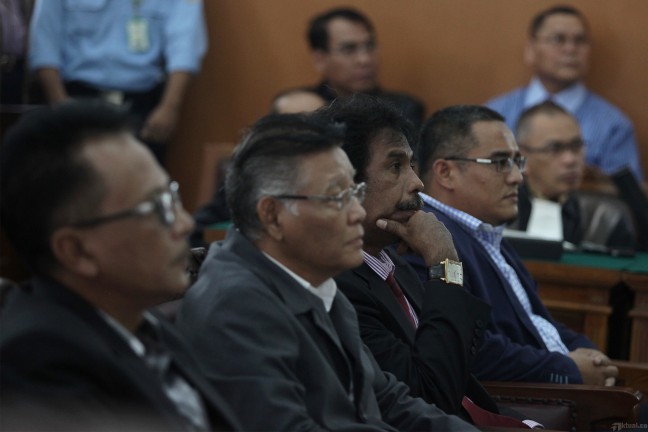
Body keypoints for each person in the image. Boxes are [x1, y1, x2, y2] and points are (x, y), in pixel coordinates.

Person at [175, 113, 477, 431]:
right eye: (337, 198)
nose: (357, 212)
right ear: (273, 215)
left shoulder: (317, 283)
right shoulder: (236, 307)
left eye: (355, 194)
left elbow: (388, 400)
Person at [0, 100, 241, 431]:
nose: (185, 223)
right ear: (77, 251)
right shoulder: (40, 363)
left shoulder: (141, 323)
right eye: (157, 208)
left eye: (172, 197)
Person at [317, 95, 540, 429]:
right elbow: (432, 395)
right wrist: (444, 262)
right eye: (396, 166)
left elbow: (462, 377)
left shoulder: (397, 266)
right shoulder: (339, 286)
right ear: (346, 183)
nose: (417, 182)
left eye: (411, 164)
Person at [411, 104, 619, 386]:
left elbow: (533, 323)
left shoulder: (486, 234)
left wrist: (591, 355)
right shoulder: (426, 238)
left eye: (516, 161)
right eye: (499, 163)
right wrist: (568, 369)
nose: (517, 177)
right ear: (446, 172)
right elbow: (472, 349)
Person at [28, 0, 208, 166]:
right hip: (78, 99)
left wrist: (169, 107)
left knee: (140, 183)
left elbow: (184, 44)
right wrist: (60, 104)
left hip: (143, 105)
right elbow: (44, 41)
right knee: (74, 183)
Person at [486, 5, 644, 181]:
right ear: (530, 49)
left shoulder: (614, 126)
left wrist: (591, 179)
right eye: (558, 39)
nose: (570, 49)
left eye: (580, 40)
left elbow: (629, 195)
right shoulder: (495, 115)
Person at [188, 90, 327, 248]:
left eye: (318, 127)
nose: (308, 138)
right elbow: (199, 231)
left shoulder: (342, 173)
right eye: (297, 127)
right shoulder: (252, 175)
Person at [510, 100, 636, 250]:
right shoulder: (499, 214)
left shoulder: (604, 220)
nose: (570, 160)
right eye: (554, 148)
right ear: (522, 157)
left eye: (576, 146)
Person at [299, 7, 425, 128]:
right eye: (348, 49)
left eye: (369, 46)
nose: (365, 59)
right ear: (320, 60)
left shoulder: (402, 108)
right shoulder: (300, 108)